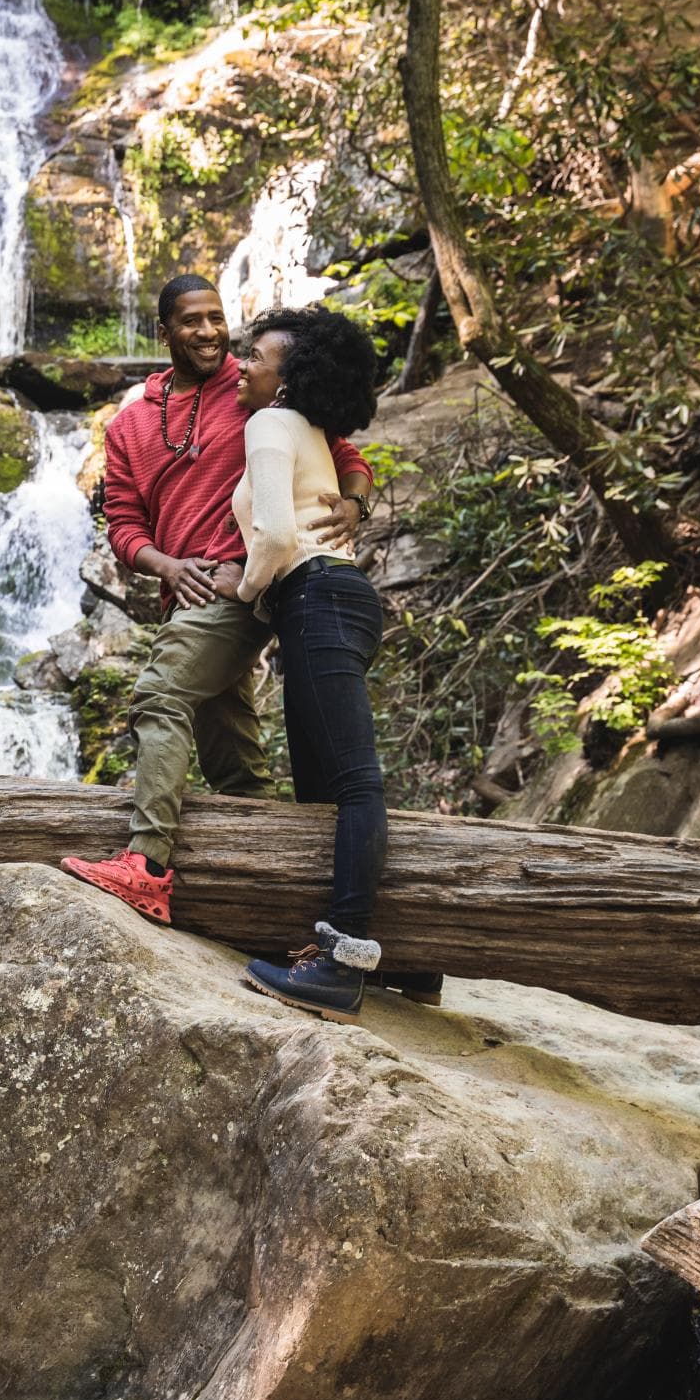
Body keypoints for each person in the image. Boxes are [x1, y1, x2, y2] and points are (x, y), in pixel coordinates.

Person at [60, 274, 375, 925]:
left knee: (161, 691)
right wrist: (166, 562)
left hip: (240, 587)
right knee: (233, 761)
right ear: (164, 331)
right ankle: (279, 908)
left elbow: (340, 448)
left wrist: (353, 500)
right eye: (193, 320)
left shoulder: (259, 389)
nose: (210, 331)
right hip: (189, 596)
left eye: (216, 317)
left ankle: (145, 865)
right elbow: (122, 524)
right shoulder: (132, 425)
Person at [233, 305, 421, 1022]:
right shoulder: (309, 431)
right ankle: (400, 951)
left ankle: (345, 961)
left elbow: (277, 533)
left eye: (256, 355)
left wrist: (249, 593)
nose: (242, 364)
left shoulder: (271, 424)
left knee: (350, 780)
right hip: (333, 598)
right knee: (322, 789)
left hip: (312, 594)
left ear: (288, 379)